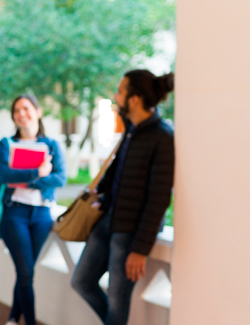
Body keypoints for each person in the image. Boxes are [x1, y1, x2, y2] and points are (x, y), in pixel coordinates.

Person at [70, 70, 175, 325]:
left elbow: (159, 198)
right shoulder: (131, 130)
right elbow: (117, 171)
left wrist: (140, 248)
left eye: (120, 91)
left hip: (131, 233)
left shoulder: (162, 136)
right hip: (108, 219)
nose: (115, 97)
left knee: (118, 303)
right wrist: (101, 195)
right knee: (81, 281)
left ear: (135, 99)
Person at [0, 94, 67, 325]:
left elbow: (60, 178)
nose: (21, 114)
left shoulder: (52, 144)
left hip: (42, 215)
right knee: (26, 273)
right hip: (15, 213)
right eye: (16, 110)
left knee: (26, 272)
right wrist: (37, 173)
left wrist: (28, 180)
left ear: (38, 111)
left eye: (26, 108)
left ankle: (14, 317)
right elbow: (2, 174)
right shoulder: (7, 143)